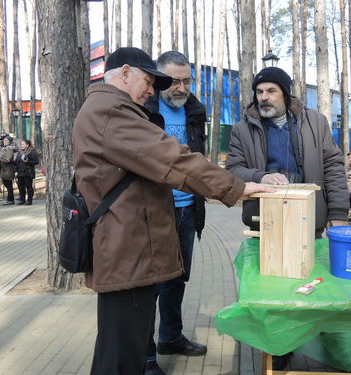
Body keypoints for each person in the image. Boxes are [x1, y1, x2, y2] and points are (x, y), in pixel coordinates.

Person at [73, 47, 273, 375]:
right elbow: (171, 158)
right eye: (148, 81)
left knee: (122, 344)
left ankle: (165, 342)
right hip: (127, 246)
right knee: (122, 350)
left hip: (129, 243)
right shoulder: (112, 111)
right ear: (125, 73)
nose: (152, 90)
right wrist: (237, 187)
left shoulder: (108, 107)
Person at [225, 67, 351, 373]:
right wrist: (261, 176)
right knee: (278, 293)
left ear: (285, 95)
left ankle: (337, 354)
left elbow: (332, 167)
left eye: (271, 91)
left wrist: (338, 214)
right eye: (259, 92)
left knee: (322, 290)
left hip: (311, 220)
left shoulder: (315, 122)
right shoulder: (242, 129)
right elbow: (233, 169)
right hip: (267, 223)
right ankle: (280, 349)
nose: (264, 98)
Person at [144, 51, 207, 375]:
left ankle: (170, 337)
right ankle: (146, 356)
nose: (181, 88)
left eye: (187, 80)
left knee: (177, 280)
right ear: (159, 80)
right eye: (175, 81)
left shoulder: (196, 110)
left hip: (186, 211)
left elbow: (199, 160)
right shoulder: (145, 108)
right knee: (151, 285)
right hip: (154, 212)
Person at [15, 139, 39, 205]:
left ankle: (29, 200)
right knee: (20, 187)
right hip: (20, 172)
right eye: (21, 144)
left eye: (23, 144)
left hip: (28, 172)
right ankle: (22, 200)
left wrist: (28, 162)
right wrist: (16, 171)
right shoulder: (20, 152)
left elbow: (36, 161)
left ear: (27, 145)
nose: (21, 146)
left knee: (28, 187)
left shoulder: (31, 152)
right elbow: (16, 162)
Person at [0, 136, 17, 205]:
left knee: (8, 185)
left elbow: (8, 159)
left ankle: (10, 199)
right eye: (4, 140)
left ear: (10, 142)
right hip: (3, 169)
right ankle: (10, 199)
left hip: (8, 170)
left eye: (7, 140)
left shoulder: (9, 149)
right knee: (7, 184)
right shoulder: (3, 148)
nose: (5, 142)